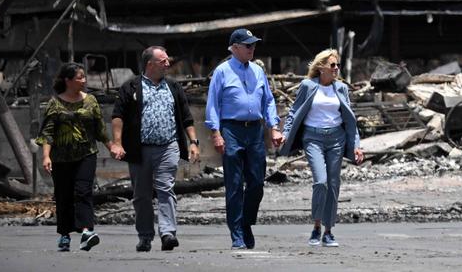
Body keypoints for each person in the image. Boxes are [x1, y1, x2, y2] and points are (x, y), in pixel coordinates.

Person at [110, 46, 201, 252]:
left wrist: (194, 143)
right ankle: (145, 236)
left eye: (168, 60)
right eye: (163, 61)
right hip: (139, 150)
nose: (168, 64)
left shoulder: (173, 87)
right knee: (141, 195)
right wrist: (117, 142)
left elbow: (186, 117)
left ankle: (168, 233)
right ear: (150, 64)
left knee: (165, 189)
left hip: (168, 147)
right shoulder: (131, 87)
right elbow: (118, 116)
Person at [204, 28, 283, 249]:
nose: (252, 48)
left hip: (255, 131)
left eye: (254, 45)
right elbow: (213, 104)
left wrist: (274, 127)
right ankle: (237, 233)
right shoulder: (222, 71)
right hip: (231, 129)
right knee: (235, 184)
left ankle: (246, 221)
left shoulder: (258, 71)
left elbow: (268, 101)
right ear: (235, 48)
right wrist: (215, 133)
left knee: (257, 183)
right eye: (248, 45)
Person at [280, 49, 364, 247]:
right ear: (321, 67)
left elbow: (350, 119)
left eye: (337, 65)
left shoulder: (341, 88)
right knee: (321, 182)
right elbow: (293, 112)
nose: (336, 69)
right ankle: (316, 226)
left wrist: (357, 146)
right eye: (332, 65)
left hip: (337, 139)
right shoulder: (308, 86)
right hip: (313, 138)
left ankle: (328, 231)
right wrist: (285, 133)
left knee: (333, 185)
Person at [35, 63, 113, 252]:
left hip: (86, 154)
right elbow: (48, 132)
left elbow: (100, 129)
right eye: (80, 77)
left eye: (84, 77)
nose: (84, 81)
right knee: (63, 195)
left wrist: (111, 146)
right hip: (61, 158)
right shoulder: (55, 104)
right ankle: (64, 235)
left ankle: (87, 232)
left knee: (83, 191)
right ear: (68, 81)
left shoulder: (91, 101)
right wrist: (46, 156)